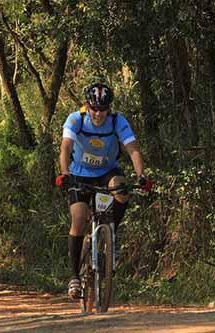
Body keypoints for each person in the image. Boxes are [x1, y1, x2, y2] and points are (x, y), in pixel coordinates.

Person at [55, 82, 152, 299]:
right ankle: (74, 277)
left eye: (103, 109)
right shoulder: (75, 119)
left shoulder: (117, 120)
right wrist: (65, 174)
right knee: (79, 219)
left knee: (122, 189)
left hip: (107, 171)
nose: (99, 114)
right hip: (79, 173)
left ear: (109, 108)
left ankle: (111, 234)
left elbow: (132, 148)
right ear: (87, 106)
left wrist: (141, 175)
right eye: (94, 109)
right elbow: (66, 147)